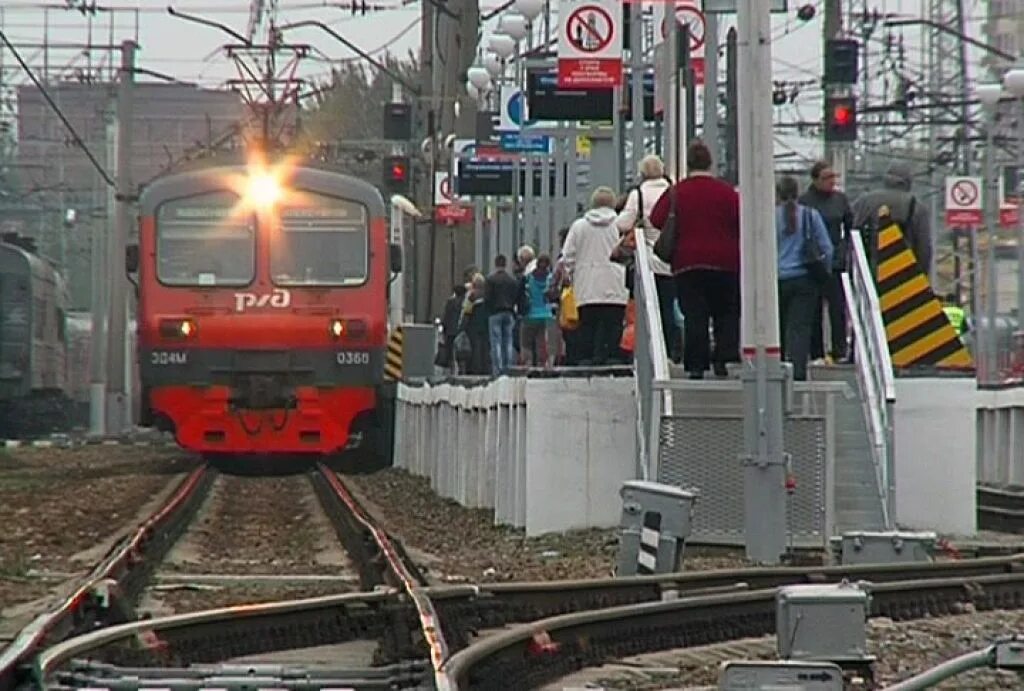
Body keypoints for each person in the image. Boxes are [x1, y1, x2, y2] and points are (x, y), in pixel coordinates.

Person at [650, 140, 740, 379]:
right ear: (710, 163)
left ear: (688, 164)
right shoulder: (726, 192)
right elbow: (741, 219)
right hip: (725, 262)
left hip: (687, 262)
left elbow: (656, 218)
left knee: (695, 315)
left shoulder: (677, 192)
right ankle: (723, 360)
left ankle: (696, 366)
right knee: (725, 313)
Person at [616, 154, 678, 362]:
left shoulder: (638, 194)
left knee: (651, 310)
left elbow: (623, 224)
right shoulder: (674, 191)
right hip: (675, 259)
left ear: (642, 173)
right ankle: (675, 349)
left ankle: (654, 354)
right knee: (671, 308)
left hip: (650, 260)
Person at [776, 175, 834, 381]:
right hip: (805, 279)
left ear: (778, 194)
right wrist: (823, 272)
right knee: (799, 328)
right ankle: (798, 372)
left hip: (777, 281)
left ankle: (777, 369)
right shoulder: (810, 216)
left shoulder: (770, 217)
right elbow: (827, 248)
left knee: (778, 328)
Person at [562, 186, 629, 365]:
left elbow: (568, 256)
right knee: (613, 324)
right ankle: (610, 356)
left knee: (588, 325)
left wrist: (568, 274)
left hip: (586, 285)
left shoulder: (579, 226)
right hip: (616, 282)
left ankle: (588, 358)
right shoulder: (621, 225)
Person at [800, 160, 854, 363]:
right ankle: (816, 351)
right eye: (826, 178)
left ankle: (839, 349)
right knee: (814, 308)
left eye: (833, 177)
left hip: (836, 259)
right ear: (815, 180)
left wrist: (845, 248)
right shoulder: (805, 201)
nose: (831, 182)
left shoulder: (840, 200)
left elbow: (850, 224)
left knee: (837, 306)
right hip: (813, 261)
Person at [851, 161, 933, 277]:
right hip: (904, 273)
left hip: (869, 271)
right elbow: (924, 247)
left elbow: (852, 231)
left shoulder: (865, 201)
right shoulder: (916, 206)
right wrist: (922, 274)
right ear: (908, 182)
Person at [484, 254, 520, 375]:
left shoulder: (490, 279)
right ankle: (508, 367)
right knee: (508, 341)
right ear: (505, 264)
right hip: (509, 312)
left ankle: (497, 369)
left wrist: (488, 311)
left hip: (495, 313)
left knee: (496, 342)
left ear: (495, 264)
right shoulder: (512, 280)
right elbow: (516, 296)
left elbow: (487, 298)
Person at [520, 254, 555, 366]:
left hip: (530, 315)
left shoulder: (529, 278)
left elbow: (523, 294)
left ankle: (528, 364)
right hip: (546, 314)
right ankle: (544, 364)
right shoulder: (550, 278)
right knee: (543, 342)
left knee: (526, 343)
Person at [460, 273, 491, 375]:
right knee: (485, 348)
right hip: (485, 325)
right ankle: (485, 369)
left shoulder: (472, 296)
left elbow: (467, 311)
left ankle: (475, 369)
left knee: (475, 349)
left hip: (473, 325)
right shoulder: (487, 295)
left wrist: (462, 327)